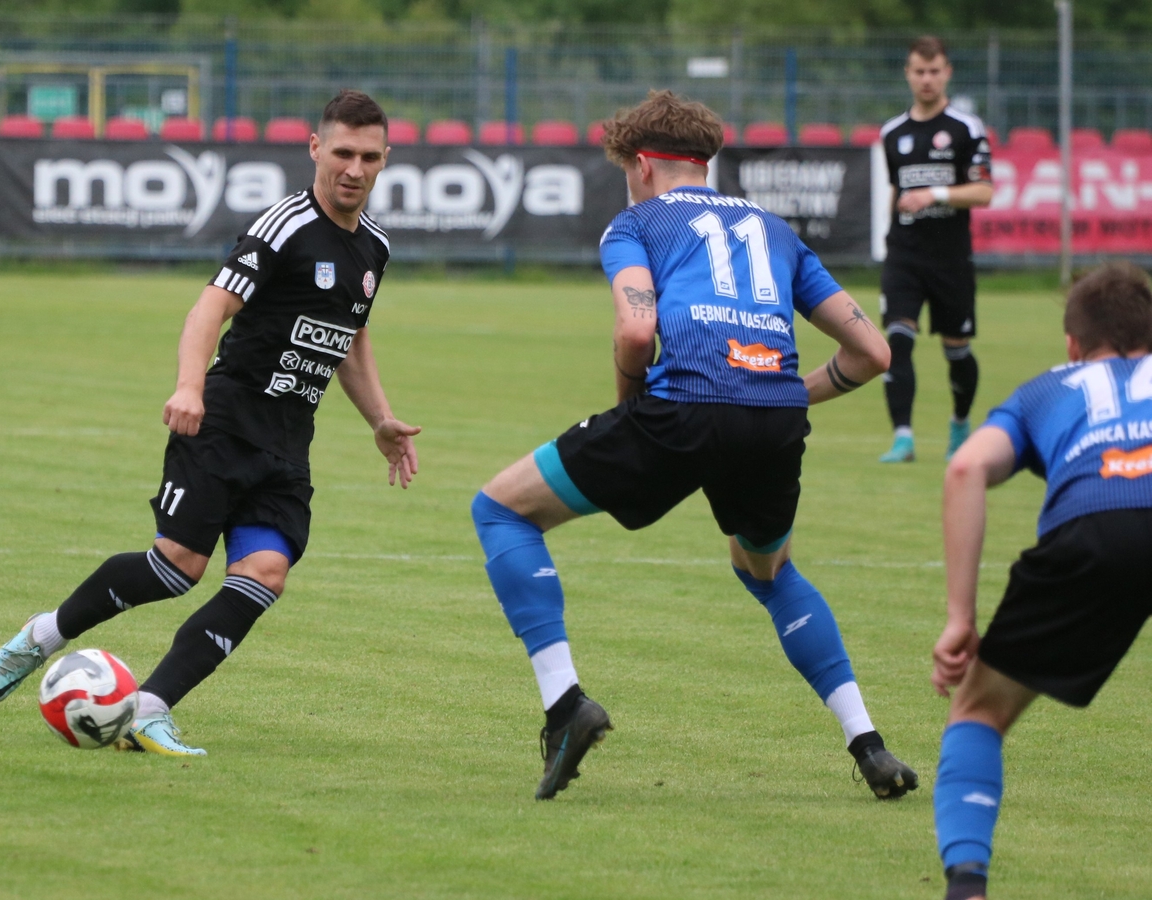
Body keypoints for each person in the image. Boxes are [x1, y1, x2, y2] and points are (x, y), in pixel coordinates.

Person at [471, 90, 918, 801]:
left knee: (500, 510)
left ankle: (564, 705)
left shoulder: (635, 223)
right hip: (772, 419)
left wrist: (629, 409)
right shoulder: (774, 230)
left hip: (680, 410)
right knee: (768, 571)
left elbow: (635, 331)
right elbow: (872, 353)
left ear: (643, 165)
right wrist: (779, 393)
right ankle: (868, 743)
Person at [0, 90, 420, 757]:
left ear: (386, 159)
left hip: (287, 441)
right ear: (315, 149)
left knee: (264, 574)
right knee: (177, 568)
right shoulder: (285, 226)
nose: (354, 169)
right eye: (342, 153)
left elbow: (349, 338)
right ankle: (41, 637)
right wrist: (189, 387)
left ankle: (149, 711)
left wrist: (380, 419)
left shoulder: (375, 248)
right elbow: (209, 308)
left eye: (368, 157)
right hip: (224, 423)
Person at [930, 261, 1152, 900]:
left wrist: (960, 618)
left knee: (978, 711)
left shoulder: (1045, 389)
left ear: (1073, 345)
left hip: (1094, 531)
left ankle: (967, 887)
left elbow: (966, 470)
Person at [878, 35, 994, 463]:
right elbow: (897, 190)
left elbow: (984, 192)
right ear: (908, 74)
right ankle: (903, 438)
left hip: (950, 258)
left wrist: (935, 194)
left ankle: (960, 423)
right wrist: (889, 237)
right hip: (904, 256)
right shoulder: (892, 133)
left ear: (947, 73)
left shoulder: (967, 129)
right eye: (919, 71)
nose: (926, 79)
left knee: (956, 349)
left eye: (934, 71)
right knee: (896, 341)